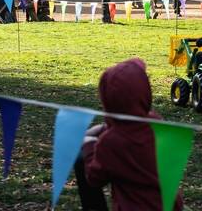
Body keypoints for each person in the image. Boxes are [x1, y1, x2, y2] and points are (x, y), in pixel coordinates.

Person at [77, 58, 184, 210]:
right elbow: (134, 130)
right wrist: (107, 127)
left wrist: (88, 145)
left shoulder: (111, 142)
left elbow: (95, 178)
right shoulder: (157, 124)